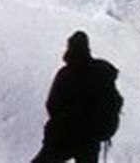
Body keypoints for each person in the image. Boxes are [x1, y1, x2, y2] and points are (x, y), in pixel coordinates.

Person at [32, 31, 123, 163]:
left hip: (65, 135)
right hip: (91, 139)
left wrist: (60, 122)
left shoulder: (66, 74)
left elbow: (52, 105)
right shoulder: (100, 72)